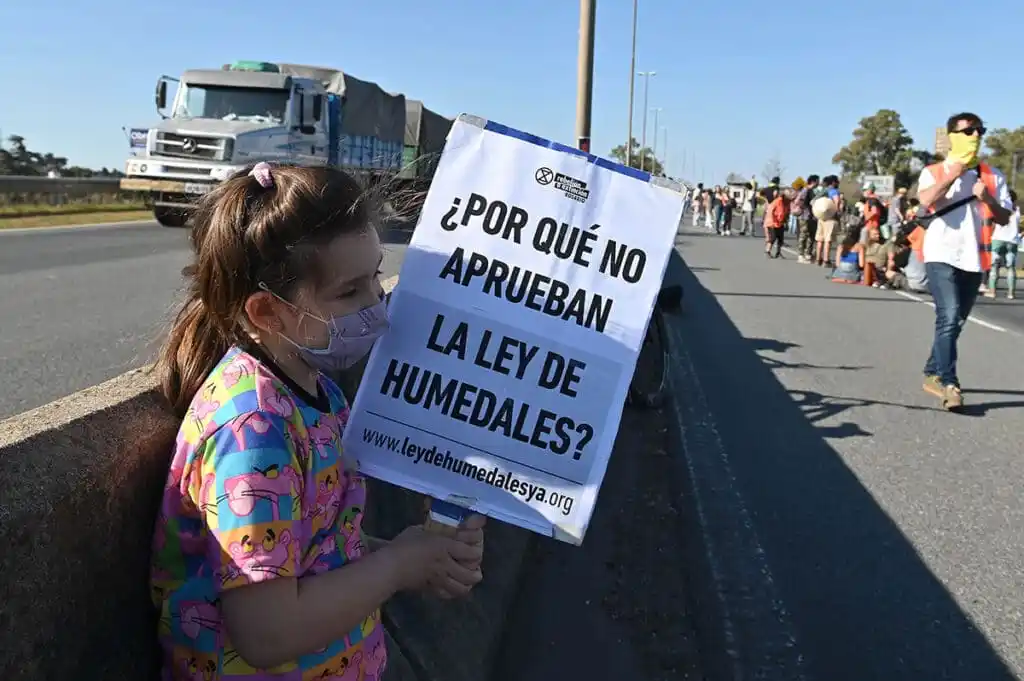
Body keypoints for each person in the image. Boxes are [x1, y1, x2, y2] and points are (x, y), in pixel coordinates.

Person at [150, 163, 486, 680]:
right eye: (350, 292)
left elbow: (316, 555)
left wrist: (415, 554)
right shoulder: (254, 431)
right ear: (267, 312)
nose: (377, 304)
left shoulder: (313, 387)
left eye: (376, 276)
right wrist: (395, 566)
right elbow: (268, 632)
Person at [917, 112, 1013, 411]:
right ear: (953, 137)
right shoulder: (933, 171)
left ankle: (933, 371)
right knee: (949, 316)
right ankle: (949, 383)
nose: (975, 136)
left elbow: (1005, 217)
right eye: (968, 131)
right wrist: (951, 176)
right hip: (940, 254)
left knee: (956, 322)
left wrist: (988, 199)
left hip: (975, 257)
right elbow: (925, 200)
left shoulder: (992, 176)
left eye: (979, 131)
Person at [985, 189, 1020, 299]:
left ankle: (992, 291)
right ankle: (1011, 293)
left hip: (998, 239)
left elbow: (992, 223)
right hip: (1012, 241)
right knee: (1011, 267)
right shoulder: (1018, 210)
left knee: (994, 266)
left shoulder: (999, 208)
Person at [793, 174, 820, 263]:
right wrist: (805, 208)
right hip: (804, 216)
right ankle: (801, 255)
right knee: (803, 235)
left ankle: (808, 253)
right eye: (818, 181)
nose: (819, 183)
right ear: (814, 181)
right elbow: (798, 201)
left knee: (811, 235)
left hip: (811, 216)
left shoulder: (812, 191)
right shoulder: (805, 190)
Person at [764, 189, 789, 258]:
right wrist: (773, 220)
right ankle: (767, 251)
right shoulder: (777, 201)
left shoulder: (787, 202)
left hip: (780, 222)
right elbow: (770, 211)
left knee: (781, 238)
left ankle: (778, 252)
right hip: (772, 222)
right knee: (773, 237)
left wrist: (785, 222)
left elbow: (786, 212)